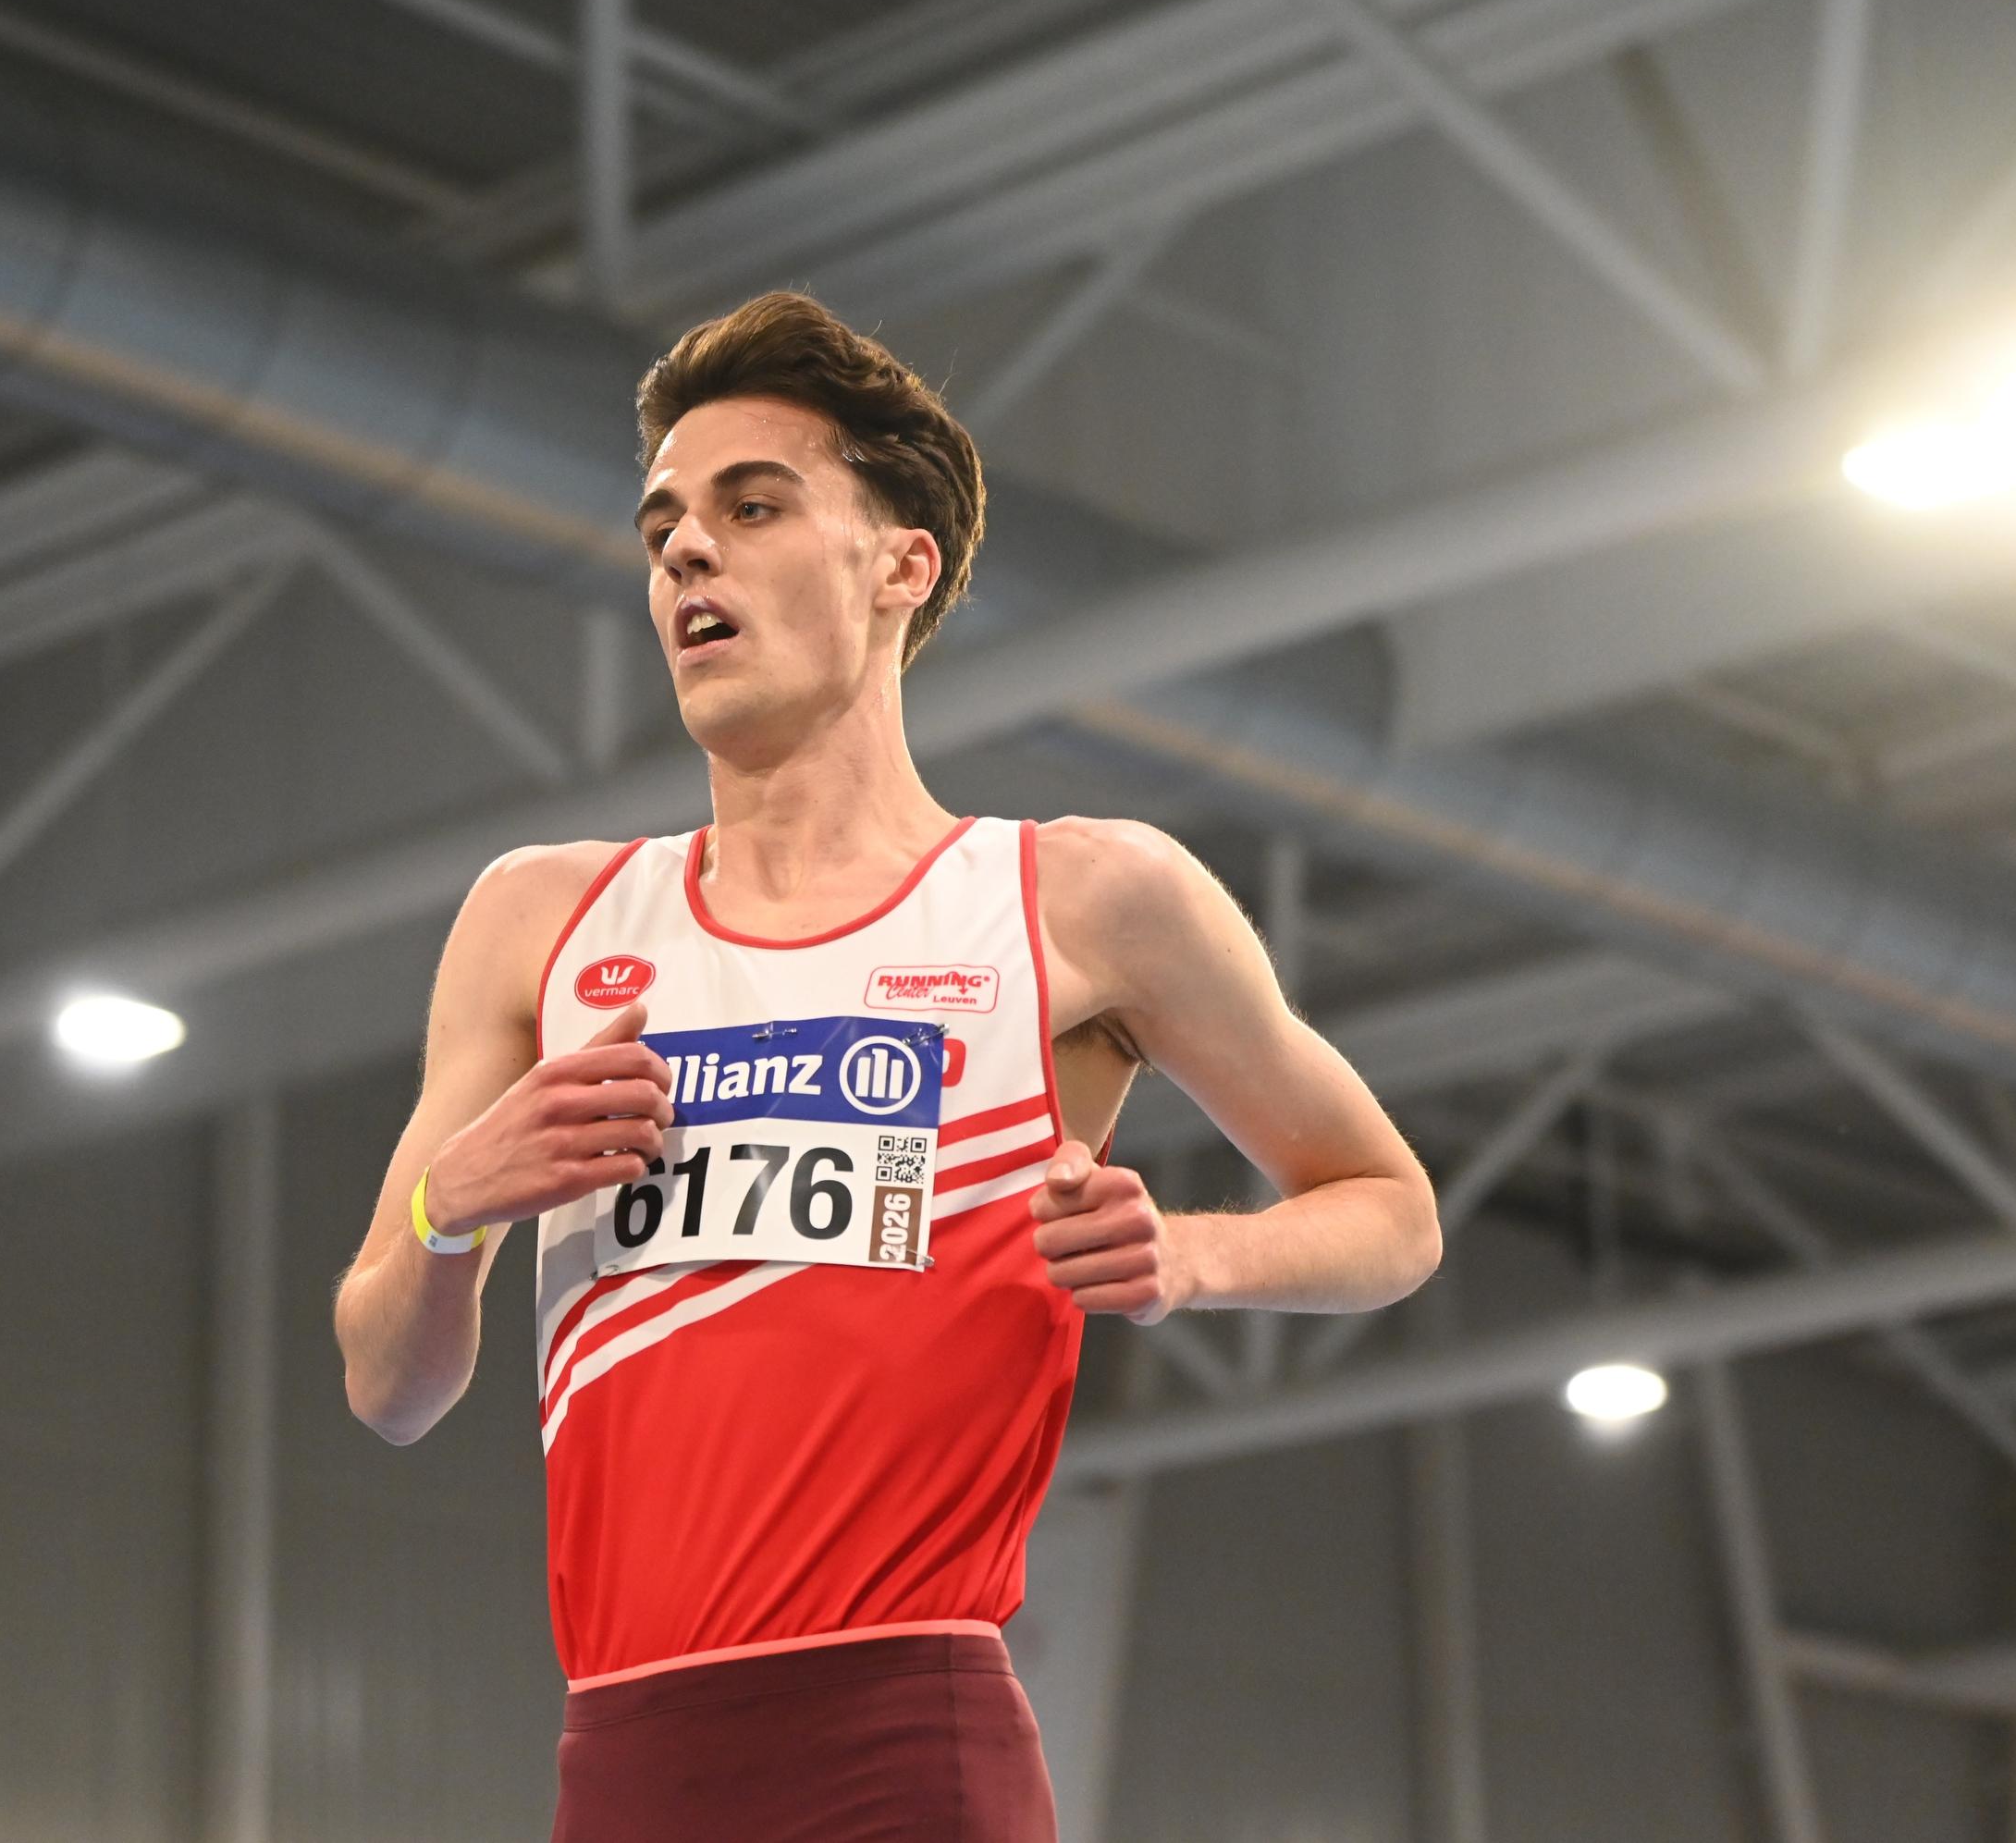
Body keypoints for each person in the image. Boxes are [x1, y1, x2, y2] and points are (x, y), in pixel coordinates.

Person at [333, 291, 1440, 1841]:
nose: (684, 555)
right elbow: (386, 1385)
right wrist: (454, 1204)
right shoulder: (542, 922)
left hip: (903, 1748)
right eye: (662, 527)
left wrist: (1188, 1254)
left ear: (899, 563)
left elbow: (1392, 1208)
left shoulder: (1075, 900)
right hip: (626, 1763)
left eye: (752, 505)